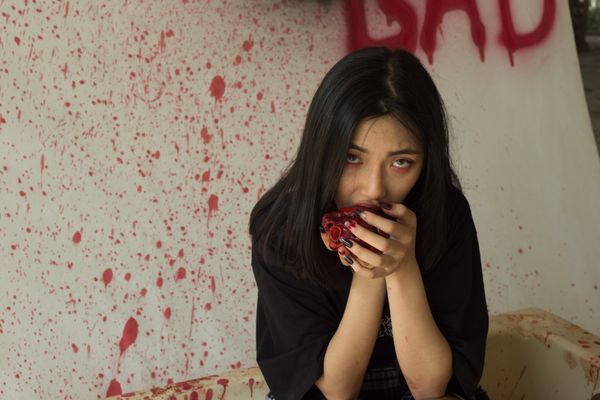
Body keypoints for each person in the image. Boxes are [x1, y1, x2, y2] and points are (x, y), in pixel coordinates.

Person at [248, 47, 489, 400]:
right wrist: (369, 269)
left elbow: (431, 388)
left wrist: (402, 268)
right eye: (352, 157)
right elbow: (336, 391)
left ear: (426, 161)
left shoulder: (446, 215)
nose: (374, 189)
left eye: (401, 162)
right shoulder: (281, 230)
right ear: (322, 149)